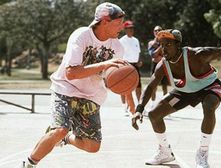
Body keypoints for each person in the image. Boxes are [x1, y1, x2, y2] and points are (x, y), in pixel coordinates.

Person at [18, 2, 135, 168]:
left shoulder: (117, 47)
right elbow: (71, 73)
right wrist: (104, 65)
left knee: (93, 146)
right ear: (104, 21)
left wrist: (132, 104)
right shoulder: (82, 36)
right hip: (66, 88)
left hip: (91, 96)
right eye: (118, 23)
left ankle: (65, 139)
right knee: (59, 129)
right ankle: (28, 164)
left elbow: (117, 79)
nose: (122, 27)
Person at [132, 29, 221, 167]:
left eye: (168, 45)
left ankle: (202, 153)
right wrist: (139, 109)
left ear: (178, 45)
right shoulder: (162, 65)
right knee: (154, 114)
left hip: (209, 87)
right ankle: (165, 152)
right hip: (185, 91)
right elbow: (150, 87)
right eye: (161, 45)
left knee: (209, 106)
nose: (163, 48)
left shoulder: (196, 55)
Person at [119, 20, 142, 115]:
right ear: (125, 29)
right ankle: (125, 106)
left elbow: (139, 52)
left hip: (135, 65)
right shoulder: (121, 41)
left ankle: (140, 106)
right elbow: (119, 54)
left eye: (132, 28)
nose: (131, 30)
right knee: (125, 87)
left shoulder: (136, 40)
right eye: (129, 28)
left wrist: (139, 61)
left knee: (138, 86)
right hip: (125, 65)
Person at [147, 25, 169, 109]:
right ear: (153, 32)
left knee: (165, 86)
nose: (157, 32)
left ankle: (165, 105)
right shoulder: (151, 43)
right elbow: (153, 55)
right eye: (155, 30)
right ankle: (152, 104)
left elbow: (166, 55)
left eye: (159, 30)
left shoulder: (166, 42)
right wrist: (160, 47)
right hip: (155, 66)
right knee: (153, 86)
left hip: (164, 65)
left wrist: (159, 53)